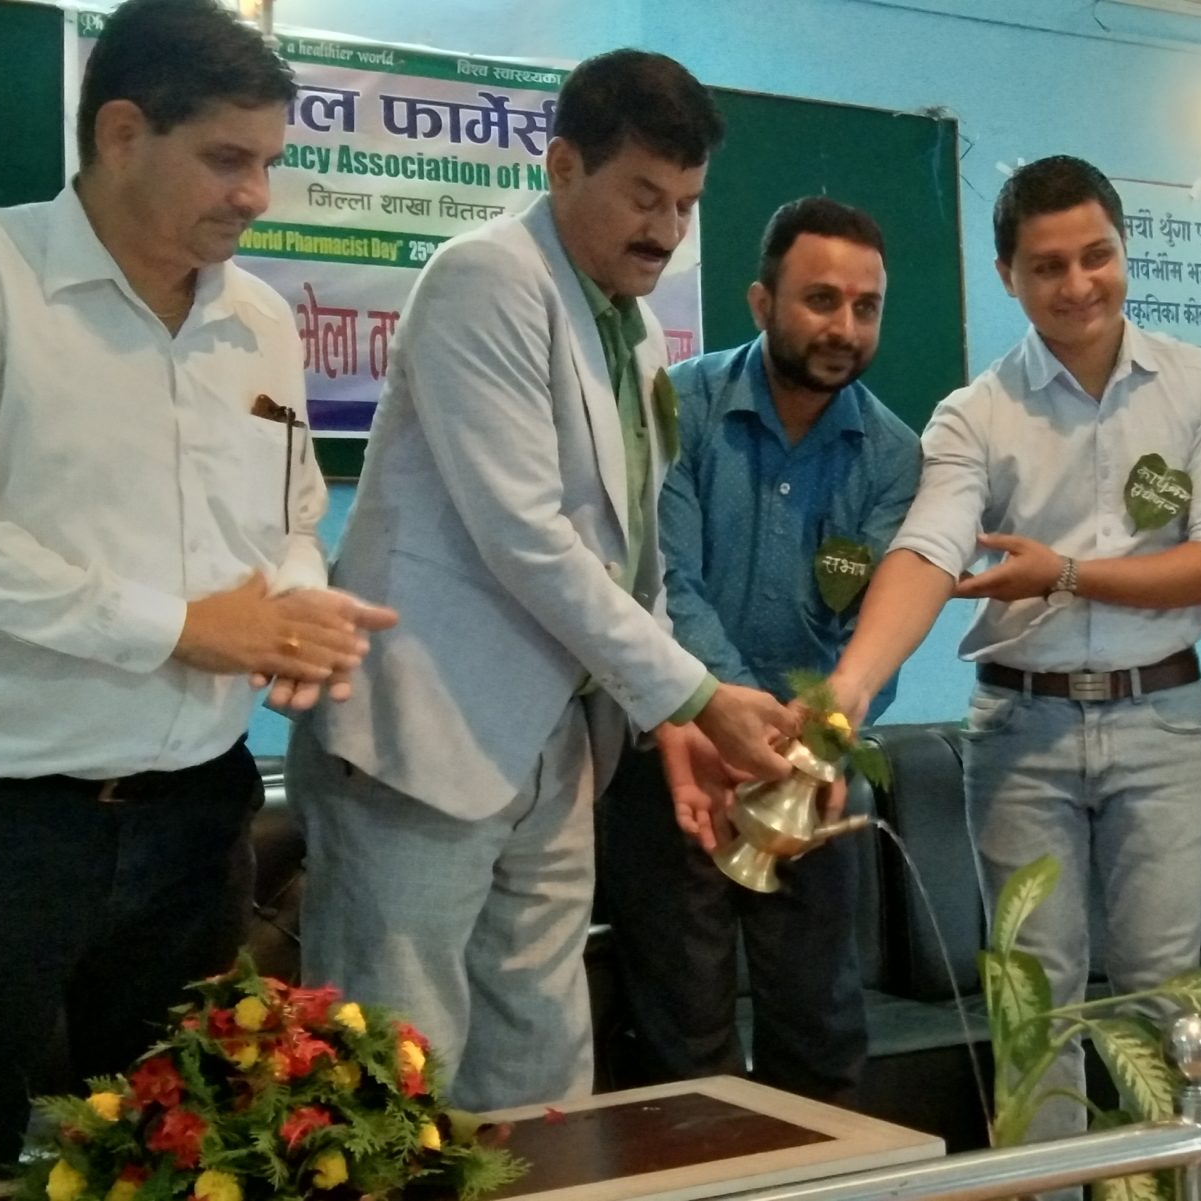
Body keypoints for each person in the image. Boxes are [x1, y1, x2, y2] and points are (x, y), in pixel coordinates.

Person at [0, 0, 395, 1184]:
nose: (256, 195)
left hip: (194, 818)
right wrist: (183, 629)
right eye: (228, 159)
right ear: (123, 131)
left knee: (185, 1151)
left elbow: (288, 517)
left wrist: (294, 610)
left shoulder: (261, 321)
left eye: (271, 162)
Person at [290, 48, 797, 1112]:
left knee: (540, 1062)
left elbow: (632, 553)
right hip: (425, 735)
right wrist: (699, 695)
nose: (667, 230)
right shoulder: (484, 278)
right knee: (392, 1069)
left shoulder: (637, 330)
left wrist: (672, 721)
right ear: (563, 165)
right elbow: (524, 535)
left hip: (559, 747)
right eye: (644, 197)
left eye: (686, 204)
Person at [821, 155, 1201, 1158]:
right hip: (1020, 729)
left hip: (1164, 722)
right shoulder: (973, 413)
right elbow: (929, 548)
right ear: (1007, 275)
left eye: (1096, 256)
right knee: (1032, 1002)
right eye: (1048, 266)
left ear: (1123, 250)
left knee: (1165, 996)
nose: (1078, 285)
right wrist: (848, 689)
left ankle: (1162, 1185)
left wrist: (1063, 572)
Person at [595, 196, 920, 1105]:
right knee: (681, 1044)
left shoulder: (894, 455)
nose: (844, 327)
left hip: (812, 771)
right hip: (678, 761)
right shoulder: (677, 406)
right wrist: (727, 718)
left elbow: (878, 628)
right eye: (820, 299)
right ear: (761, 301)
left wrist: (811, 739)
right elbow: (665, 580)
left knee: (821, 1031)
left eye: (866, 306)